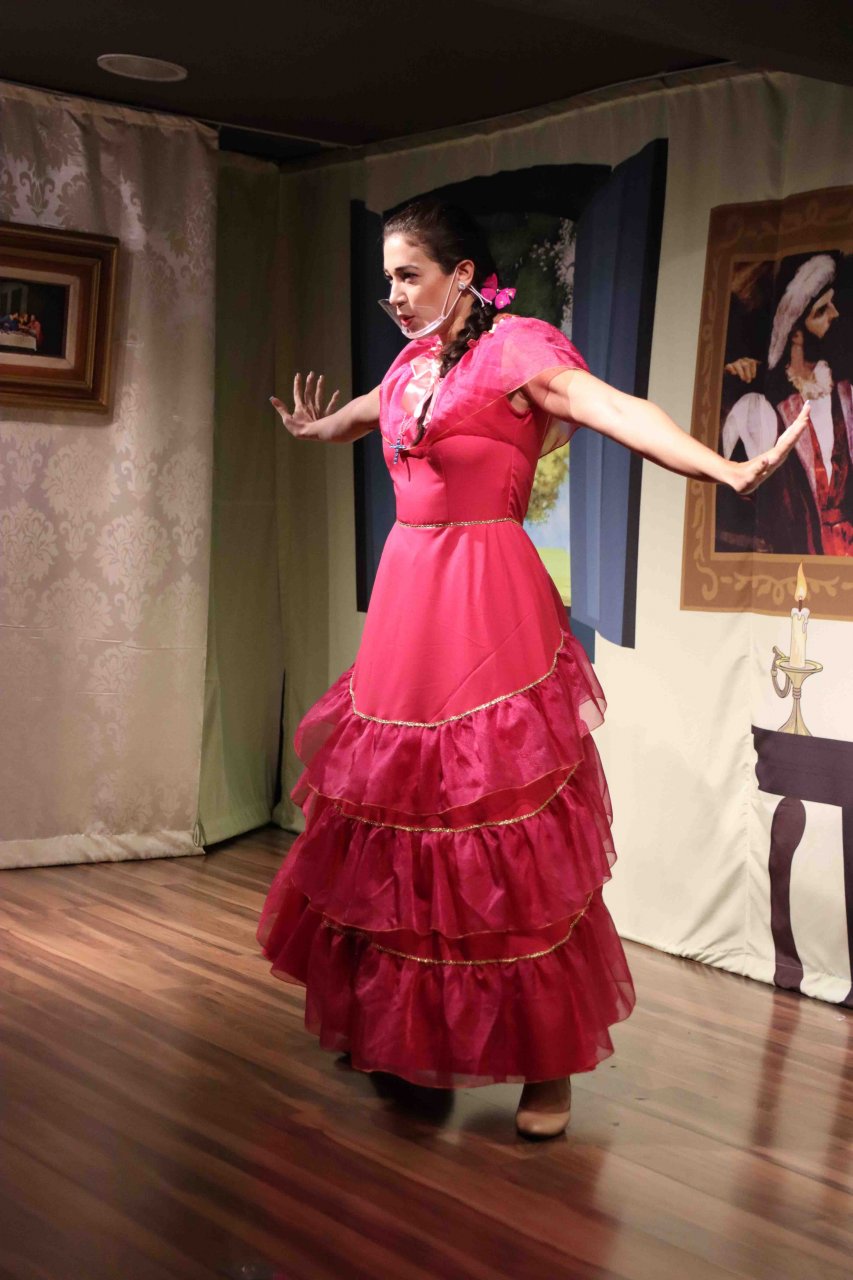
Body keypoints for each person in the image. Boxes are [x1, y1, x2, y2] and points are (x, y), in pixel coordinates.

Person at [258, 198, 811, 1140]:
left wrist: (718, 470)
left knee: (504, 823)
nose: (394, 293)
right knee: (396, 815)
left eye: (408, 274)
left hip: (485, 600)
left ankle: (545, 1065)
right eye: (387, 278)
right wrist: (323, 430)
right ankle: (399, 1025)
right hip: (407, 604)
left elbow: (613, 409)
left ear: (462, 275)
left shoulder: (517, 349)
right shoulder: (410, 363)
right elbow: (371, 411)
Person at [720, 252, 852, 555]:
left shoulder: (846, 395)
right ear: (795, 331)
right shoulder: (765, 407)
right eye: (821, 311)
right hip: (801, 555)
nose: (834, 315)